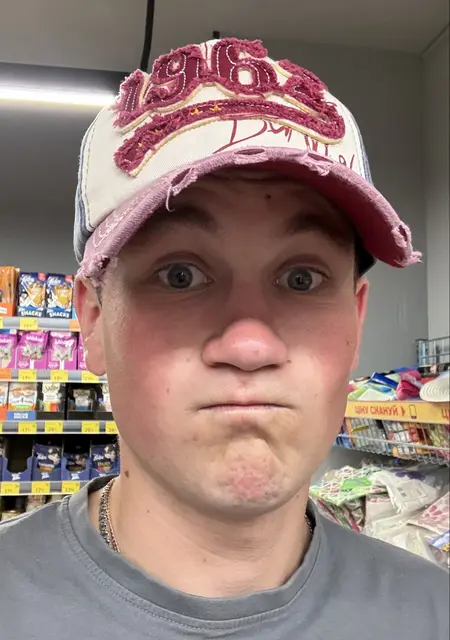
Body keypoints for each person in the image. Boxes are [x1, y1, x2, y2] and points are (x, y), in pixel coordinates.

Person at [1, 37, 448, 639]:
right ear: (94, 320)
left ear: (356, 321)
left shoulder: (432, 613)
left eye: (301, 278)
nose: (249, 347)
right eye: (180, 276)